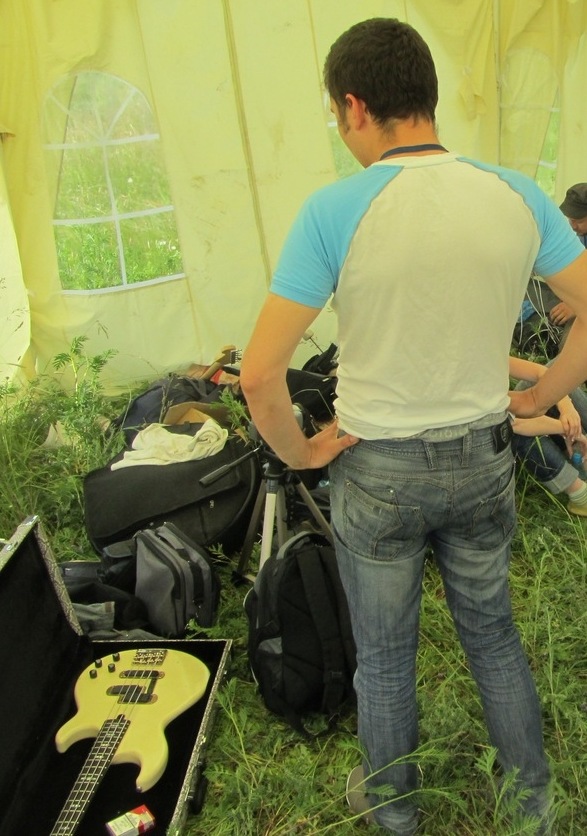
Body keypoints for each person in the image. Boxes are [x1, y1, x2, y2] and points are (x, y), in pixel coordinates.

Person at [240, 18, 587, 834]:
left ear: (354, 106)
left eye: (336, 115)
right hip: (482, 460)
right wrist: (540, 395)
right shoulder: (515, 193)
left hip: (376, 469)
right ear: (426, 97)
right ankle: (532, 809)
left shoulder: (333, 209)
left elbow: (257, 375)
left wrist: (301, 451)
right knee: (493, 637)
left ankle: (394, 813)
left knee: (387, 658)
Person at [510, 356, 587, 515]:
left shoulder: (484, 355)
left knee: (557, 373)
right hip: (493, 434)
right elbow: (509, 422)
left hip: (507, 413)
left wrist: (567, 408)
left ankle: (581, 460)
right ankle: (580, 495)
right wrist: (565, 428)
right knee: (508, 430)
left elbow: (542, 372)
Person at [524, 183, 587, 344]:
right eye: (570, 219)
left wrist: (576, 306)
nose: (573, 225)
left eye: (578, 220)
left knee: (573, 335)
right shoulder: (581, 234)